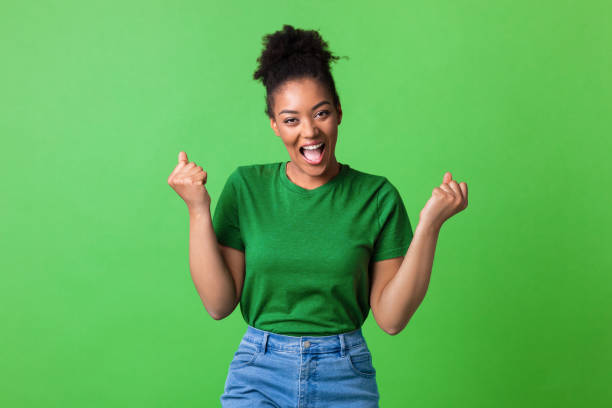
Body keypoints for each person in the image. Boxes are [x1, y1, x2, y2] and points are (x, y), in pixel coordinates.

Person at [167, 24, 468, 408]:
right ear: (275, 125)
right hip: (259, 371)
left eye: (321, 113)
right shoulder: (247, 188)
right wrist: (197, 209)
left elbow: (391, 320)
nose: (309, 131)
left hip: (345, 374)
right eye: (291, 119)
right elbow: (219, 304)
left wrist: (430, 225)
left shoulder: (376, 197)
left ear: (338, 112)